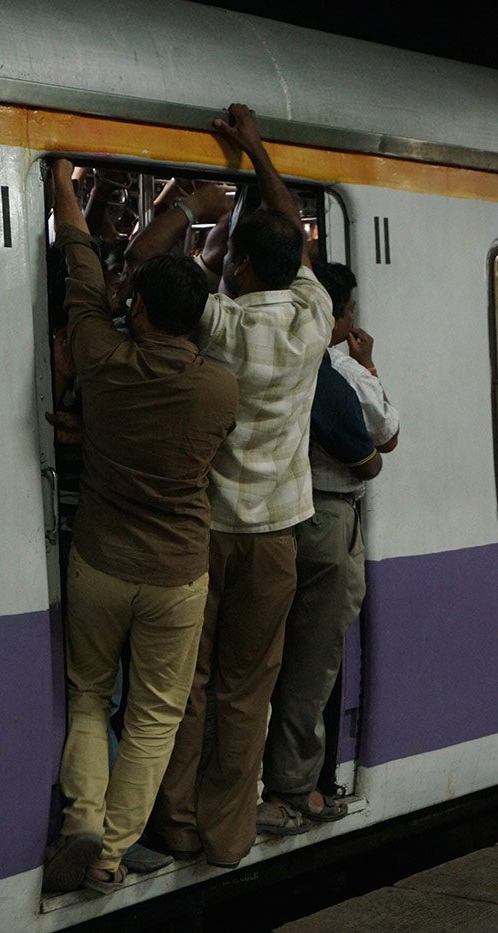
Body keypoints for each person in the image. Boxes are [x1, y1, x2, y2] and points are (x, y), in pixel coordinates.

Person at [128, 103, 334, 868]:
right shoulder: (311, 318)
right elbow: (288, 228)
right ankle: (227, 834)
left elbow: (146, 270)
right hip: (276, 539)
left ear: (239, 267)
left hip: (203, 534)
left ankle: (173, 824)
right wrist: (259, 154)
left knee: (186, 683)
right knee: (249, 690)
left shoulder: (220, 323)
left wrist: (189, 207)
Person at [42, 158, 239, 895]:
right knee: (156, 716)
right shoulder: (220, 389)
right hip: (176, 572)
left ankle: (80, 821)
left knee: (90, 694)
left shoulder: (101, 357)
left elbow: (82, 270)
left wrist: (64, 183)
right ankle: (110, 854)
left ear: (143, 310)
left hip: (99, 560)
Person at [259, 262, 399, 830]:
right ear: (337, 316)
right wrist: (368, 365)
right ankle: (297, 788)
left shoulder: (258, 352)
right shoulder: (340, 372)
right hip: (328, 518)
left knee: (258, 660)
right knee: (314, 662)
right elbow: (383, 443)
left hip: (274, 520)